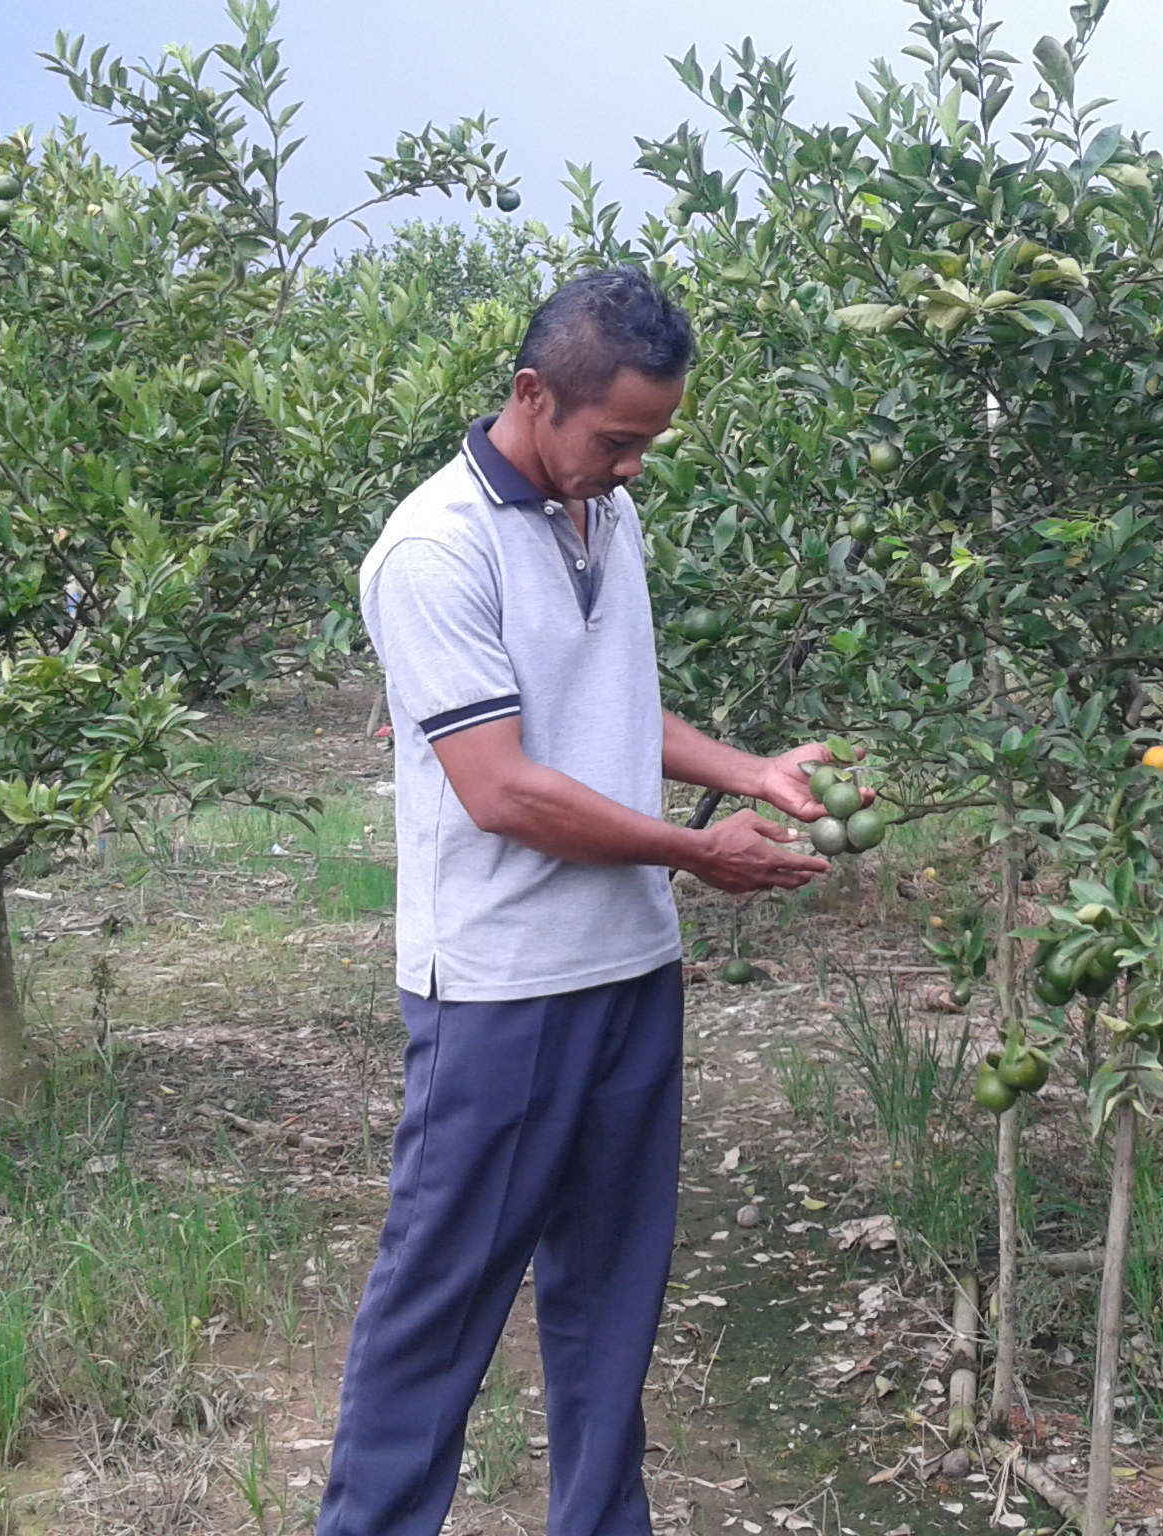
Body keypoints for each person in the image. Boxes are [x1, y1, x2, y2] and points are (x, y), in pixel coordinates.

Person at [318, 267, 842, 1536]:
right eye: (617, 439)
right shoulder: (433, 549)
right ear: (531, 393)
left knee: (615, 1293)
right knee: (437, 1305)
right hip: (503, 989)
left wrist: (744, 772)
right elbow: (501, 787)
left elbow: (606, 707)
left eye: (649, 443)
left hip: (626, 971)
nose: (631, 467)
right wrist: (694, 850)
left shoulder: (607, 517)